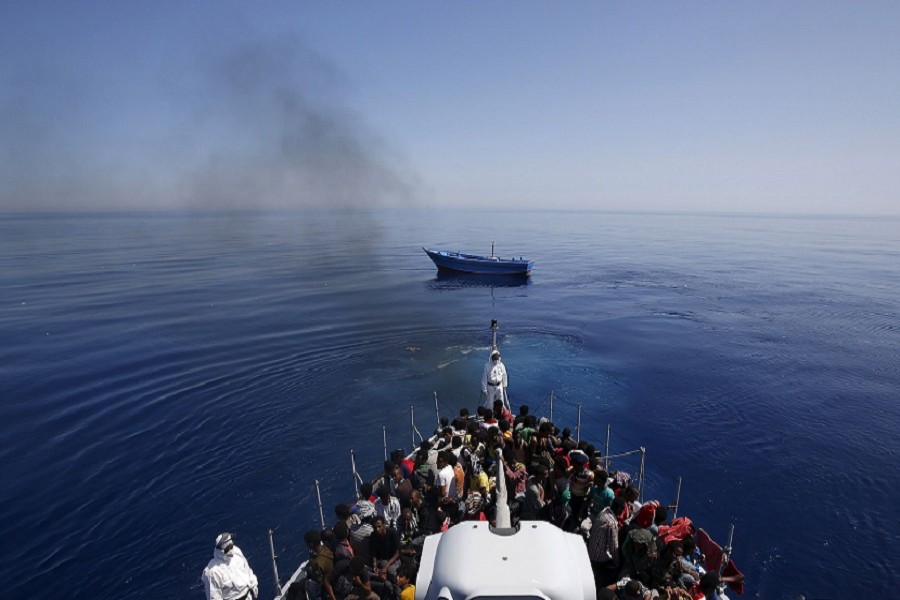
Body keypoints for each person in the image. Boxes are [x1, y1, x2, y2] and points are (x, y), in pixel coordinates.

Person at [202, 532, 259, 600]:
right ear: (221, 551)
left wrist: (253, 584)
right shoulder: (213, 571)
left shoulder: (237, 552)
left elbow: (247, 569)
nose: (231, 551)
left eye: (231, 546)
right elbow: (214, 597)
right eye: (227, 549)